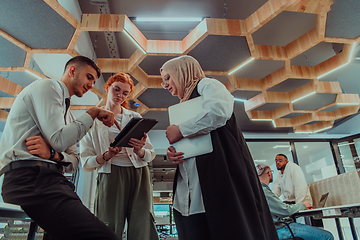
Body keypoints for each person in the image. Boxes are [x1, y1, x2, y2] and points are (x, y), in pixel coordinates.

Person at [0, 56, 120, 240]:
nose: (90, 85)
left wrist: (53, 154)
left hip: (53, 180)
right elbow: (59, 140)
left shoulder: (69, 117)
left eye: (94, 81)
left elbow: (73, 162)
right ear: (72, 71)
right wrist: (93, 112)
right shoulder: (48, 86)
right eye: (88, 77)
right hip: (29, 178)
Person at [160, 55, 278, 240]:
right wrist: (175, 152)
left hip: (218, 178)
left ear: (182, 71)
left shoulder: (206, 85)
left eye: (167, 77)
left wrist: (181, 130)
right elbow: (194, 142)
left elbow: (220, 111)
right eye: (163, 81)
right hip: (193, 187)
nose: (165, 84)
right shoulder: (182, 106)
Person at [79, 72, 159, 240]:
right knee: (108, 223)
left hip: (139, 173)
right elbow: (86, 161)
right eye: (116, 90)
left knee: (142, 224)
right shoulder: (93, 120)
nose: (120, 96)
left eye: (125, 93)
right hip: (110, 174)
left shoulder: (135, 117)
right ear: (107, 88)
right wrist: (107, 155)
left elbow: (150, 154)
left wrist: (140, 150)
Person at [256, 163, 334, 240]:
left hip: (273, 229)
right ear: (269, 173)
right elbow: (285, 210)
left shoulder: (258, 190)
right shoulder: (264, 191)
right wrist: (303, 205)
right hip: (280, 229)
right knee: (327, 236)